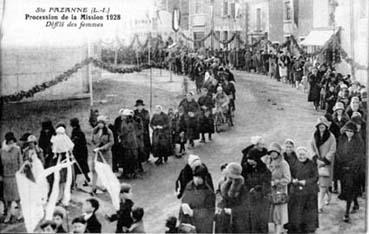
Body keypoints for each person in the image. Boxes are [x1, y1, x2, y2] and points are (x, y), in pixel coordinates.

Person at [336, 121, 365, 222]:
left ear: (354, 132)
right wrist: (341, 162)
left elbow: (359, 156)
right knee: (347, 188)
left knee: (349, 189)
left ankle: (347, 213)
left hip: (354, 170)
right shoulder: (341, 139)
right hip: (343, 169)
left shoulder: (359, 141)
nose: (349, 133)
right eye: (347, 130)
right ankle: (356, 203)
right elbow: (338, 152)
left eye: (351, 131)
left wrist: (351, 166)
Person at [287, 147, 319, 233]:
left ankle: (309, 227)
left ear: (307, 155)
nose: (301, 156)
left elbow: (315, 177)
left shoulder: (312, 164)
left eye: (303, 154)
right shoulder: (294, 163)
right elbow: (289, 174)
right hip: (297, 190)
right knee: (296, 210)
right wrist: (293, 180)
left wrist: (305, 182)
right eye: (300, 155)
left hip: (309, 191)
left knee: (308, 211)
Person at [310, 116, 336, 212]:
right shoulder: (314, 135)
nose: (321, 127)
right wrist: (316, 158)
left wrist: (324, 160)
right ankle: (328, 193)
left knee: (323, 184)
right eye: (319, 125)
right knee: (320, 183)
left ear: (326, 126)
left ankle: (319, 206)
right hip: (317, 162)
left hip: (326, 164)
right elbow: (311, 146)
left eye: (323, 125)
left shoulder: (331, 137)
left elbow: (333, 150)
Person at [264, 142, 291, 234]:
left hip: (280, 193)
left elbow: (287, 179)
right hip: (270, 192)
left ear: (278, 153)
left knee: (278, 215)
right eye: (271, 152)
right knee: (272, 215)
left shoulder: (284, 164)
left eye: (274, 152)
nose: (272, 154)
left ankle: (278, 232)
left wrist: (276, 182)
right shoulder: (268, 163)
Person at [179, 165, 215, 233]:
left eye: (199, 177)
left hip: (202, 226)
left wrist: (193, 213)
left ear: (204, 178)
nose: (196, 179)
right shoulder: (189, 186)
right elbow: (184, 199)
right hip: (188, 224)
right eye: (195, 176)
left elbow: (210, 212)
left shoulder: (209, 192)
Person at [0, 132, 23, 223]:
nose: (11, 143)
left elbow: (20, 162)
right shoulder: (2, 151)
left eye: (12, 141)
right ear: (6, 142)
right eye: (9, 141)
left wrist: (21, 173)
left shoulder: (17, 149)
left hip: (15, 176)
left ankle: (21, 212)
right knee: (8, 198)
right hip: (6, 176)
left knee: (17, 196)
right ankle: (8, 214)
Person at [91, 115, 114, 194]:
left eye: (102, 123)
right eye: (99, 123)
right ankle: (93, 187)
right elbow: (92, 140)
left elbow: (111, 142)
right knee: (95, 170)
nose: (100, 125)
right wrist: (95, 147)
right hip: (96, 153)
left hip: (105, 154)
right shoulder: (95, 130)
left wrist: (103, 147)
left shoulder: (108, 131)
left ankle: (107, 186)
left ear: (104, 124)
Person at [117, 109, 139, 179]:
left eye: (123, 116)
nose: (122, 117)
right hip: (127, 143)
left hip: (130, 143)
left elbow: (125, 131)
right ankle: (128, 172)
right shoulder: (126, 122)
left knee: (132, 158)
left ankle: (133, 172)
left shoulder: (129, 123)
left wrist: (119, 135)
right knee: (127, 158)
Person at [70, 118, 90, 187]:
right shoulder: (76, 130)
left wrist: (73, 141)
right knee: (80, 166)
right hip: (79, 151)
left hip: (80, 151)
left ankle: (76, 181)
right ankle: (86, 179)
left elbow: (79, 141)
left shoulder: (78, 131)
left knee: (79, 165)